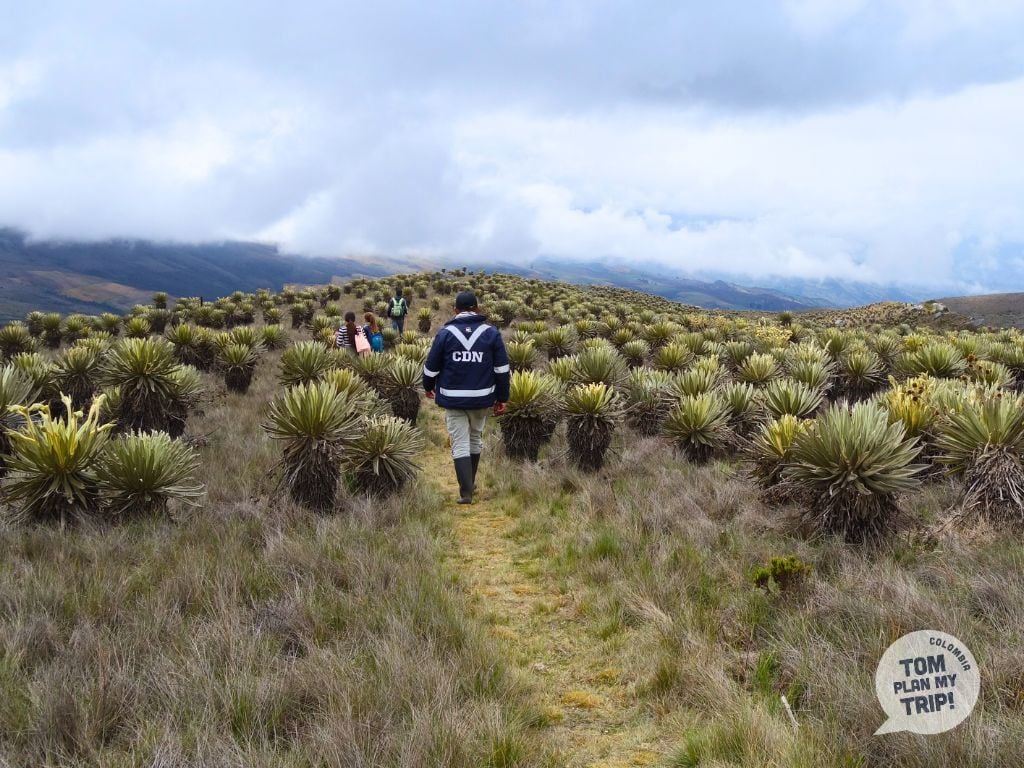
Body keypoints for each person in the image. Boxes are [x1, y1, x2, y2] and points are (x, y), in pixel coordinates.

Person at [422, 291, 510, 504]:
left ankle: (466, 492)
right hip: (482, 398)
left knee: (459, 442)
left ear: (455, 310)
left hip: (453, 398)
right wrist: (502, 397)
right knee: (474, 438)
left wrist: (428, 386)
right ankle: (469, 483)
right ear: (477, 309)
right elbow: (502, 369)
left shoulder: (445, 333)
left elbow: (431, 366)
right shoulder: (492, 333)